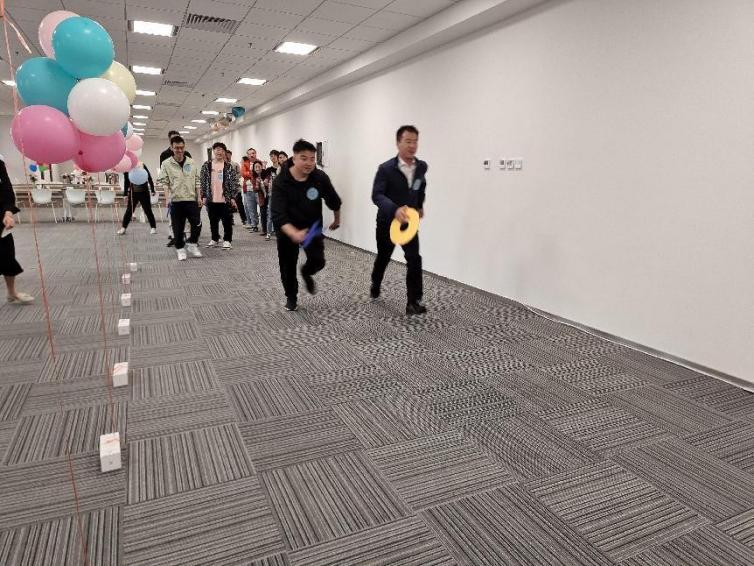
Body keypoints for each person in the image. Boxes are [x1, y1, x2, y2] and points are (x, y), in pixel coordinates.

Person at [271, 139, 341, 311]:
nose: (309, 163)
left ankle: (306, 272)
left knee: (319, 261)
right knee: (287, 265)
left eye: (312, 159)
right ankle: (291, 296)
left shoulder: (319, 177)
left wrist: (337, 219)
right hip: (287, 230)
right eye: (304, 158)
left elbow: (333, 200)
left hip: (311, 227)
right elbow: (278, 214)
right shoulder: (281, 181)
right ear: (294, 158)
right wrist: (293, 233)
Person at [371, 125, 428, 315]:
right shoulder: (385, 169)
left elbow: (420, 186)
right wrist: (394, 210)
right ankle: (376, 282)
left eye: (415, 141)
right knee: (384, 256)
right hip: (387, 222)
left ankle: (413, 302)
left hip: (409, 221)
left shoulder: (421, 167)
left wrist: (419, 205)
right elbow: (377, 195)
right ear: (398, 143)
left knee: (414, 258)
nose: (412, 145)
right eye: (408, 141)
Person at [157, 135, 203, 261]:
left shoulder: (191, 162)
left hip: (191, 199)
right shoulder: (166, 164)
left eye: (182, 147)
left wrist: (199, 196)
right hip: (176, 200)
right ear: (172, 148)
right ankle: (180, 249)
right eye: (177, 148)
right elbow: (165, 182)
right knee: (178, 227)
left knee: (197, 224)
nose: (180, 150)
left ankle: (192, 244)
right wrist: (167, 198)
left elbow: (197, 180)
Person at [0, 158, 33, 304]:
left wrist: (8, 213)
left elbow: (7, 190)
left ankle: (12, 292)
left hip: (1, 216)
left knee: (6, 254)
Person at [201, 142, 239, 250]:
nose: (219, 152)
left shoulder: (228, 166)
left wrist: (233, 197)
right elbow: (203, 181)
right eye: (217, 149)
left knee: (227, 221)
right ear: (213, 151)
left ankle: (227, 240)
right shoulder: (207, 165)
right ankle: (214, 239)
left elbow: (234, 182)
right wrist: (204, 195)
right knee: (213, 221)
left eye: (222, 150)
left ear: (224, 152)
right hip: (211, 199)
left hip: (225, 199)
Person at [161, 131, 191, 247]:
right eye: (173, 139)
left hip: (185, 188)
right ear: (170, 141)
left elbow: (190, 171)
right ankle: (174, 236)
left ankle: (187, 235)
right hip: (172, 188)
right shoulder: (164, 155)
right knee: (172, 214)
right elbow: (164, 175)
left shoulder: (186, 154)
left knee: (186, 214)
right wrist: (167, 196)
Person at [117, 163, 157, 235]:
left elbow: (149, 177)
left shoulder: (142, 165)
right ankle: (123, 228)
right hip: (133, 193)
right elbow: (126, 181)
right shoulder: (127, 167)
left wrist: (152, 190)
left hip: (144, 192)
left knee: (148, 210)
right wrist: (125, 194)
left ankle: (153, 227)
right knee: (129, 210)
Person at [250, 160, 270, 240]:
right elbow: (255, 190)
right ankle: (264, 230)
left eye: (259, 166)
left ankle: (271, 229)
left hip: (270, 195)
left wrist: (266, 182)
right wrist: (257, 185)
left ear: (262, 167)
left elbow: (269, 180)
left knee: (271, 213)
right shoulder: (254, 176)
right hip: (261, 196)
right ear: (254, 169)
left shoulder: (266, 173)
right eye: (256, 167)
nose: (257, 168)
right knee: (263, 212)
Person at [226, 150, 246, 226]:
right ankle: (230, 219)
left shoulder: (235, 164)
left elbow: (240, 174)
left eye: (228, 154)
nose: (227, 156)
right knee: (228, 205)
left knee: (240, 204)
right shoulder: (223, 165)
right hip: (227, 189)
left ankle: (244, 219)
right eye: (226, 155)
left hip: (236, 188)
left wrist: (233, 178)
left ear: (231, 155)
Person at [245, 147, 260, 231]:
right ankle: (254, 225)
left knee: (262, 208)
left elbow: (261, 173)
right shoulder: (245, 164)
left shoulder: (260, 162)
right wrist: (252, 173)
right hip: (248, 189)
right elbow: (243, 173)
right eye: (250, 154)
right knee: (251, 209)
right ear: (247, 155)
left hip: (258, 190)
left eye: (253, 153)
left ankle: (265, 226)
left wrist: (250, 174)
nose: (251, 155)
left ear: (255, 154)